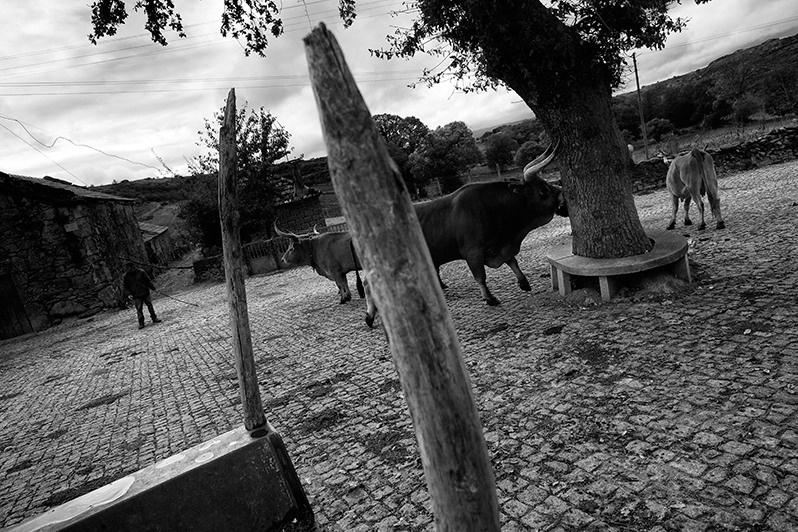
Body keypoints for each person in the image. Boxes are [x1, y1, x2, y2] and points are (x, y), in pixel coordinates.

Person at [122, 262, 162, 329]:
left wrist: (153, 288)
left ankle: (154, 318)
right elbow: (125, 287)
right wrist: (129, 294)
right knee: (139, 309)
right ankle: (141, 323)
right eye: (125, 268)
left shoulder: (141, 272)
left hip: (145, 293)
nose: (126, 269)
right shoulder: (125, 276)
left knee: (150, 306)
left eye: (127, 267)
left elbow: (148, 281)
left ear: (132, 267)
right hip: (135, 295)